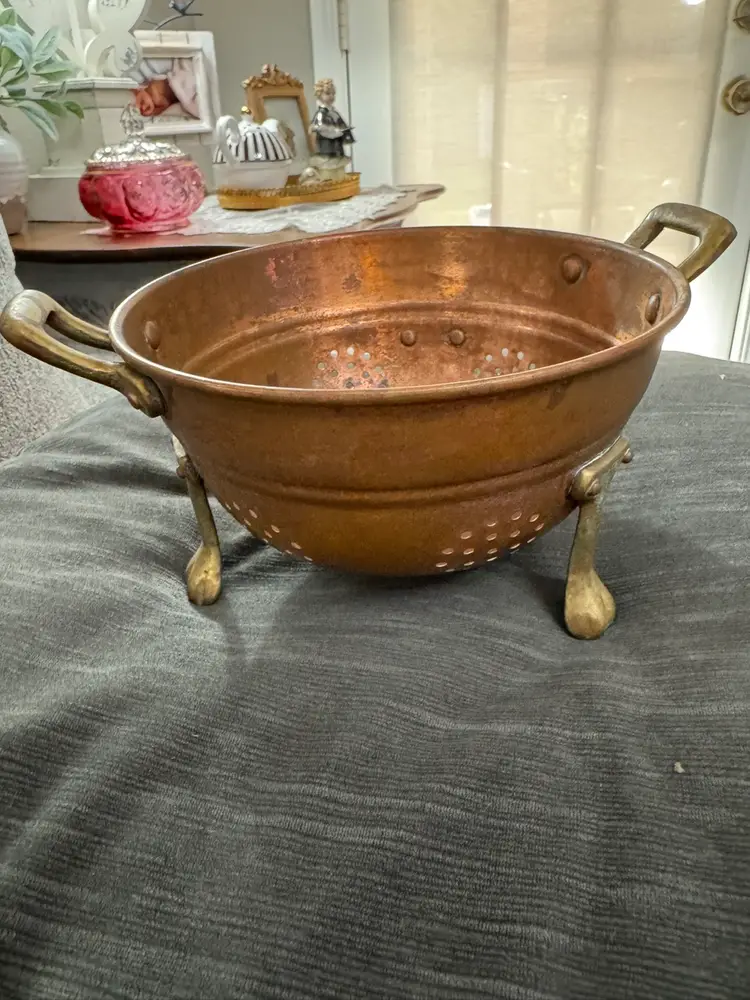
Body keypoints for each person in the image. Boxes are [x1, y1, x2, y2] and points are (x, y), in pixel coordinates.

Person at [309, 78, 354, 160]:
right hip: (327, 147)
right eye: (328, 93)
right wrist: (338, 132)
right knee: (330, 166)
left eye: (333, 94)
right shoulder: (321, 113)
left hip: (337, 146)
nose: (331, 96)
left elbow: (341, 125)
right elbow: (321, 128)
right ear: (319, 95)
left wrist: (345, 130)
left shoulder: (334, 112)